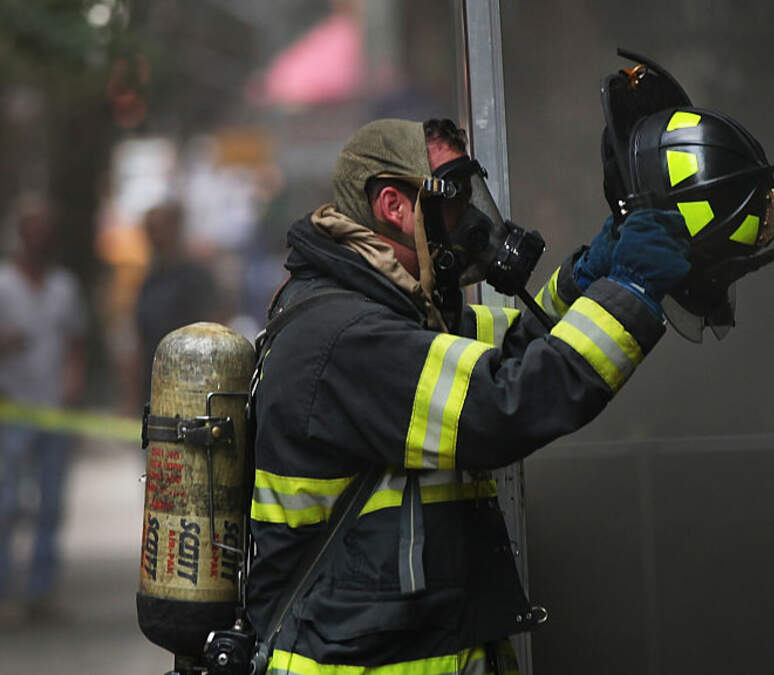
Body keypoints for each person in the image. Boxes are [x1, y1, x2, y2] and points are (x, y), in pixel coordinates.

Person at [246, 118, 690, 674]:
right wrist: (630, 291)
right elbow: (502, 404)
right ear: (393, 206)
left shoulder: (396, 313)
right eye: (453, 196)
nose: (473, 219)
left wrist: (586, 280)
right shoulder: (348, 339)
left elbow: (510, 353)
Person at [0, 197, 86, 613]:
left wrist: (73, 380)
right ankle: (4, 590)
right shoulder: (4, 285)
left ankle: (41, 592)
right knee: (7, 503)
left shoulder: (63, 287)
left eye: (45, 233)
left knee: (50, 504)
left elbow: (75, 343)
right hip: (12, 408)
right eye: (33, 232)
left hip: (54, 410)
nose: (39, 240)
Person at [133, 201, 219, 408]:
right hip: (153, 383)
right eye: (149, 230)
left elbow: (214, 331)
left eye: (157, 229)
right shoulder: (150, 280)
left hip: (189, 383)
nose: (153, 237)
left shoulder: (195, 277)